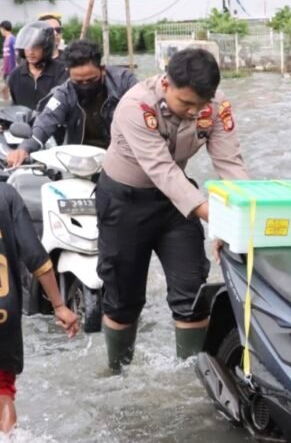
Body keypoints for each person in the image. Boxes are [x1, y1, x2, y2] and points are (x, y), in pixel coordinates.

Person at [97, 48, 249, 373]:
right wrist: (218, 218)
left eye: (201, 104)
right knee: (123, 301)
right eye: (186, 103)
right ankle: (116, 373)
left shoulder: (217, 106)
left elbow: (230, 164)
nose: (194, 112)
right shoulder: (136, 106)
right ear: (166, 83)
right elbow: (161, 170)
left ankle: (193, 378)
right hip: (124, 203)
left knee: (192, 295)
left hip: (175, 205)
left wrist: (242, 216)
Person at [0, 151, 79, 434]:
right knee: (2, 389)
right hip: (1, 312)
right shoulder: (6, 195)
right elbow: (36, 258)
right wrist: (59, 305)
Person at [7, 40, 137, 167]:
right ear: (68, 74)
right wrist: (24, 148)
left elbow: (142, 111)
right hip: (82, 161)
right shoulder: (64, 93)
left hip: (125, 154)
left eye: (91, 80)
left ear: (102, 69)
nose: (85, 85)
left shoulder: (125, 81)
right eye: (79, 82)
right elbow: (46, 120)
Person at [6, 21, 67, 112]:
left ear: (46, 48)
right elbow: (15, 105)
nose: (31, 52)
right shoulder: (15, 75)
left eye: (36, 47)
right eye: (27, 46)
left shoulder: (62, 72)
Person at [0, 21, 16, 100]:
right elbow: (6, 57)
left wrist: (17, 69)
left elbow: (17, 54)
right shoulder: (6, 40)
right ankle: (9, 104)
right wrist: (1, 68)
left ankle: (13, 103)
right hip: (6, 71)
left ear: (3, 29)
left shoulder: (12, 39)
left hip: (12, 70)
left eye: (0, 29)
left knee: (5, 90)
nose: (0, 31)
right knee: (6, 91)